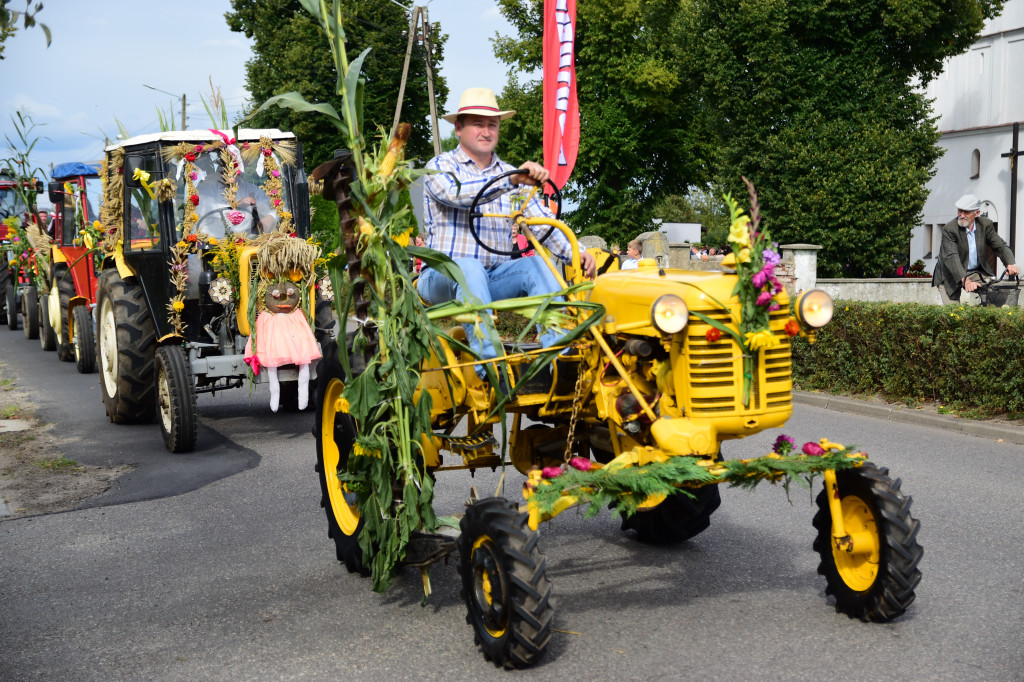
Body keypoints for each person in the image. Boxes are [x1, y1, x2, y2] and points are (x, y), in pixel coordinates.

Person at [417, 87, 596, 381]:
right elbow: (455, 195)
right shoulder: (440, 167)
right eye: (478, 123)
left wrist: (577, 253)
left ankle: (560, 360)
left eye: (492, 124)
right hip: (440, 276)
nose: (486, 131)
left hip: (492, 277)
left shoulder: (511, 174)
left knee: (537, 264)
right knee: (469, 268)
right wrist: (509, 182)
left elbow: (541, 222)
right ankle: (490, 367)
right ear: (459, 128)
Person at [932, 193, 1019, 303]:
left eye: (966, 212)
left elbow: (1000, 245)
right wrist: (966, 281)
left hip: (974, 272)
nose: (962, 215)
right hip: (950, 274)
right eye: (960, 210)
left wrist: (1010, 263)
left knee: (998, 292)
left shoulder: (985, 225)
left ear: (977, 213)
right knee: (953, 313)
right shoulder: (950, 229)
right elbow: (951, 257)